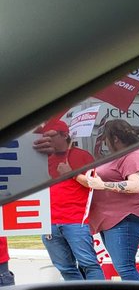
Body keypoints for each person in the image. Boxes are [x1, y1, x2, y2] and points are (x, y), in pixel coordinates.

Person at [76, 119, 139, 281]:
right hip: (112, 220)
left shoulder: (134, 155)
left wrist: (102, 184)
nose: (105, 143)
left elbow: (136, 185)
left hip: (125, 218)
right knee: (123, 268)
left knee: (125, 269)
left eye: (105, 139)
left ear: (115, 139)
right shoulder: (120, 156)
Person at [40, 119, 104, 280]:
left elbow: (94, 183)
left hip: (75, 220)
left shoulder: (82, 156)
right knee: (65, 268)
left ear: (65, 135)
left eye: (52, 136)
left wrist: (71, 173)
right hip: (49, 222)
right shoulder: (42, 159)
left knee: (88, 263)